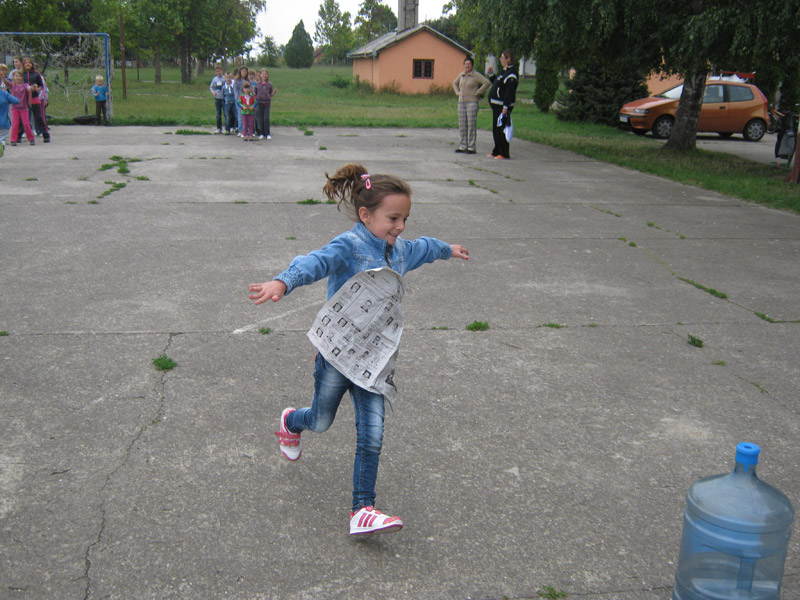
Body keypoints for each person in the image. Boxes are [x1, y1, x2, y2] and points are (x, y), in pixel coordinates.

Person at [248, 163, 469, 536]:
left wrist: (448, 249)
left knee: (372, 435)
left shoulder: (400, 250)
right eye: (393, 218)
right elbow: (315, 262)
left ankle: (362, 509)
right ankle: (291, 422)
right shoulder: (349, 246)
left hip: (373, 363)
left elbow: (424, 248)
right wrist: (284, 281)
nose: (400, 227)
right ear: (366, 215)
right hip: (336, 357)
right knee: (321, 420)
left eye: (405, 219)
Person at [452, 56, 490, 154]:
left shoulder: (476, 75)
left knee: (471, 125)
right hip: (461, 102)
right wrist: (457, 92)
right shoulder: (462, 75)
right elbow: (454, 83)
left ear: (472, 65)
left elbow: (486, 82)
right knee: (462, 124)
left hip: (472, 102)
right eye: (465, 64)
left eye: (469, 64)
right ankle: (462, 145)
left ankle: (471, 147)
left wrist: (478, 92)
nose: (467, 66)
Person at [488, 51, 518, 159]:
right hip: (496, 105)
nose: (500, 59)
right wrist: (491, 75)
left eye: (502, 57)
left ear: (508, 59)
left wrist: (505, 107)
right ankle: (497, 150)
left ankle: (504, 152)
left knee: (502, 129)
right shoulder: (504, 72)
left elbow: (509, 92)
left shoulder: (512, 74)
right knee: (496, 129)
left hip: (502, 106)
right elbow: (497, 84)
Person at [21, 57, 49, 143]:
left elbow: (41, 85)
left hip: (34, 97)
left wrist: (37, 89)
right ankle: (19, 135)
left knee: (38, 116)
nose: (27, 64)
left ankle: (45, 134)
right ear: (23, 65)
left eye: (29, 63)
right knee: (23, 117)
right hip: (24, 99)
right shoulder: (22, 74)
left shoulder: (36, 74)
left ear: (32, 64)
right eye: (26, 63)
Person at [9, 71, 34, 146]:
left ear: (22, 78)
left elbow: (29, 88)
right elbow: (6, 83)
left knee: (26, 124)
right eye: (16, 76)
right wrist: (3, 77)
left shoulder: (25, 85)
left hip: (24, 108)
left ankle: (31, 138)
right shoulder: (12, 85)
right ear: (14, 78)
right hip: (15, 108)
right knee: (15, 124)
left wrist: (32, 88)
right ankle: (13, 139)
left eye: (19, 76)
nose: (18, 78)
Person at [0, 81, 21, 157]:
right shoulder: (4, 94)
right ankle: (1, 147)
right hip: (4, 123)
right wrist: (7, 101)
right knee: (2, 139)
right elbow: (16, 101)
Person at [254, 69, 276, 140]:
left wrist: (273, 94)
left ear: (267, 75)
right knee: (260, 118)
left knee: (266, 118)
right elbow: (255, 93)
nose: (264, 75)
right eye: (263, 74)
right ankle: (261, 133)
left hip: (267, 103)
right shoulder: (257, 84)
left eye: (265, 74)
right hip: (259, 102)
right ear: (260, 75)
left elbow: (270, 93)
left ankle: (267, 133)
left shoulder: (270, 84)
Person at [209, 64, 225, 134]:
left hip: (224, 98)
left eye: (219, 71)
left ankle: (227, 127)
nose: (218, 72)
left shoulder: (224, 78)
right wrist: (213, 92)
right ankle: (219, 128)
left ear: (222, 71)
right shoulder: (215, 79)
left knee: (226, 114)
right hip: (217, 98)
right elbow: (211, 87)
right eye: (217, 71)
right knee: (218, 114)